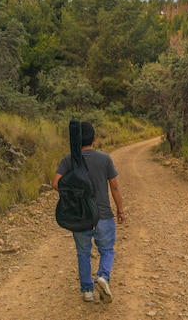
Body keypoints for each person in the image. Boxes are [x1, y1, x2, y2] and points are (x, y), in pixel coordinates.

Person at [51, 121, 125, 303]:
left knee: (83, 252)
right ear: (94, 138)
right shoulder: (105, 159)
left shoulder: (69, 159)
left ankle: (88, 291)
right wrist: (120, 210)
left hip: (81, 215)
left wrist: (73, 197)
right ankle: (102, 277)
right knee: (107, 249)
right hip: (103, 215)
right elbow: (114, 187)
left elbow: (55, 183)